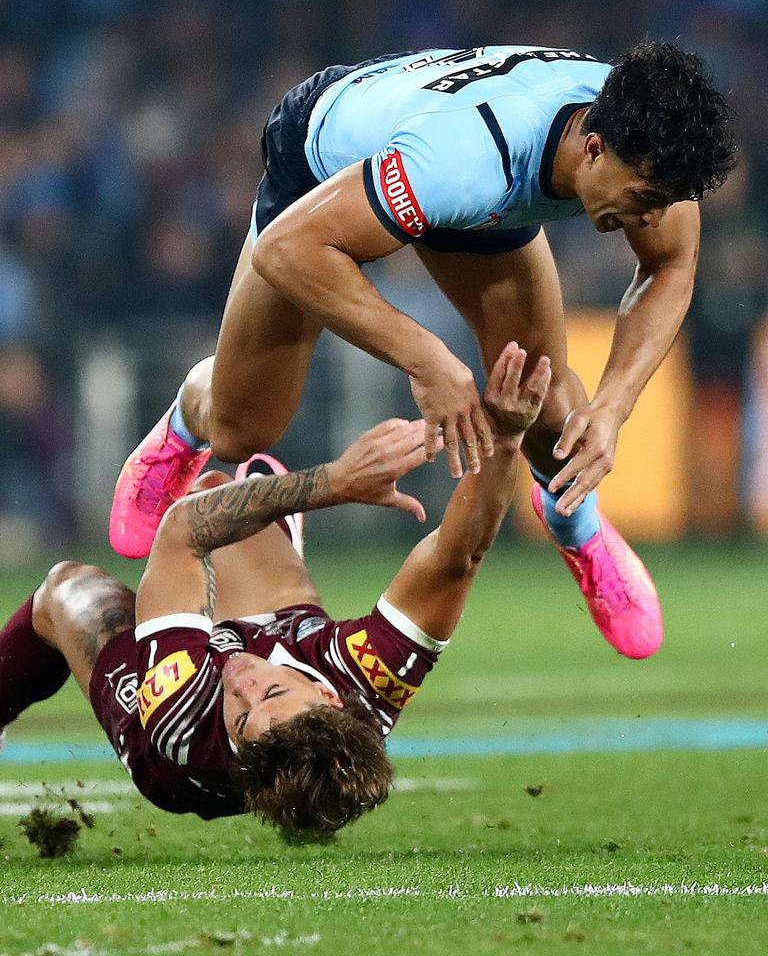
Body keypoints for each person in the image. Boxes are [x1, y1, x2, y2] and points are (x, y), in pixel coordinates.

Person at [109, 40, 737, 661]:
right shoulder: (464, 160)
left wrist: (612, 408)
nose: (651, 221)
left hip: (460, 178)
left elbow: (670, 266)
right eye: (643, 202)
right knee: (243, 429)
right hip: (324, 170)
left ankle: (577, 526)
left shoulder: (651, 135)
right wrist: (427, 358)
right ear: (593, 148)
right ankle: (193, 413)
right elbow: (286, 250)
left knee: (547, 398)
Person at [1, 345, 550, 839]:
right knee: (219, 489)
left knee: (67, 586)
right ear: (331, 696)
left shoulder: (180, 716)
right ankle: (195, 444)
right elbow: (461, 555)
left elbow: (182, 533)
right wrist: (506, 436)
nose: (241, 683)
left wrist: (335, 483)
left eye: (242, 716)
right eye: (271, 694)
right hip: (275, 637)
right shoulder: (369, 677)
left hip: (169, 739)